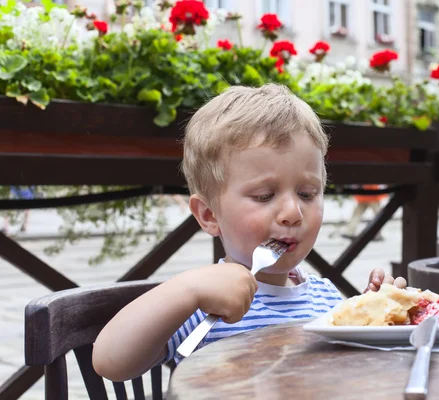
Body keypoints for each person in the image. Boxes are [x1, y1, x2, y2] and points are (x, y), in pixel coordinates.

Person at [92, 84, 406, 382]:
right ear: (209, 215)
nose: (292, 213)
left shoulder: (325, 300)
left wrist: (371, 318)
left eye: (308, 194)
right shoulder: (203, 302)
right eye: (264, 196)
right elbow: (111, 362)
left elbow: (350, 377)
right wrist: (186, 290)